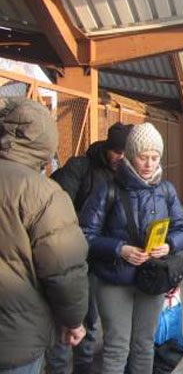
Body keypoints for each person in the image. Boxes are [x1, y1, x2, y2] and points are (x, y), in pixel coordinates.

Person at [79, 122, 183, 374]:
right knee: (117, 347)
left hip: (152, 278)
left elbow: (181, 229)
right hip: (114, 280)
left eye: (155, 157)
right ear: (130, 155)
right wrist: (119, 249)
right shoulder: (107, 188)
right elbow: (85, 234)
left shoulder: (166, 190)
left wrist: (169, 244)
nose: (149, 164)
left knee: (144, 344)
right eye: (143, 157)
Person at [0, 97, 89, 373]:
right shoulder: (42, 193)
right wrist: (74, 320)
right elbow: (64, 268)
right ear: (47, 140)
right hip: (15, 339)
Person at [46, 122, 133, 374]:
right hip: (71, 255)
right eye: (116, 151)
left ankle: (83, 367)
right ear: (107, 148)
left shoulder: (127, 175)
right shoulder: (80, 168)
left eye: (125, 152)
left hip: (101, 256)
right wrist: (83, 228)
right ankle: (58, 368)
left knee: (90, 319)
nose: (120, 157)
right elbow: (57, 206)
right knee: (66, 320)